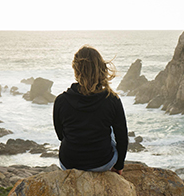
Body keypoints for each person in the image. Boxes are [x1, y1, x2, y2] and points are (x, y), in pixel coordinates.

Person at [54, 46, 128, 174]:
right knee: (111, 131)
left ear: (76, 70)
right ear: (100, 69)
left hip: (69, 163)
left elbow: (61, 135)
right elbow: (122, 138)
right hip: (102, 163)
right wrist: (119, 165)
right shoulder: (112, 100)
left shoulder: (61, 100)